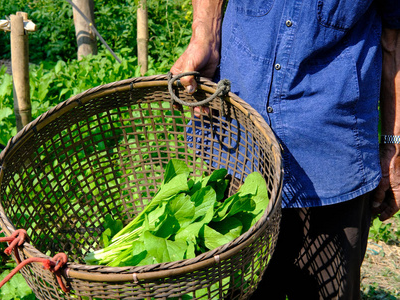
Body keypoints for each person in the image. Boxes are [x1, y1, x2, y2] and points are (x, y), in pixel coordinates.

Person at [170, 1, 400, 299]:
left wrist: (394, 147)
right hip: (240, 140)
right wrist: (206, 35)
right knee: (242, 290)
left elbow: (395, 40)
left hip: (333, 161)